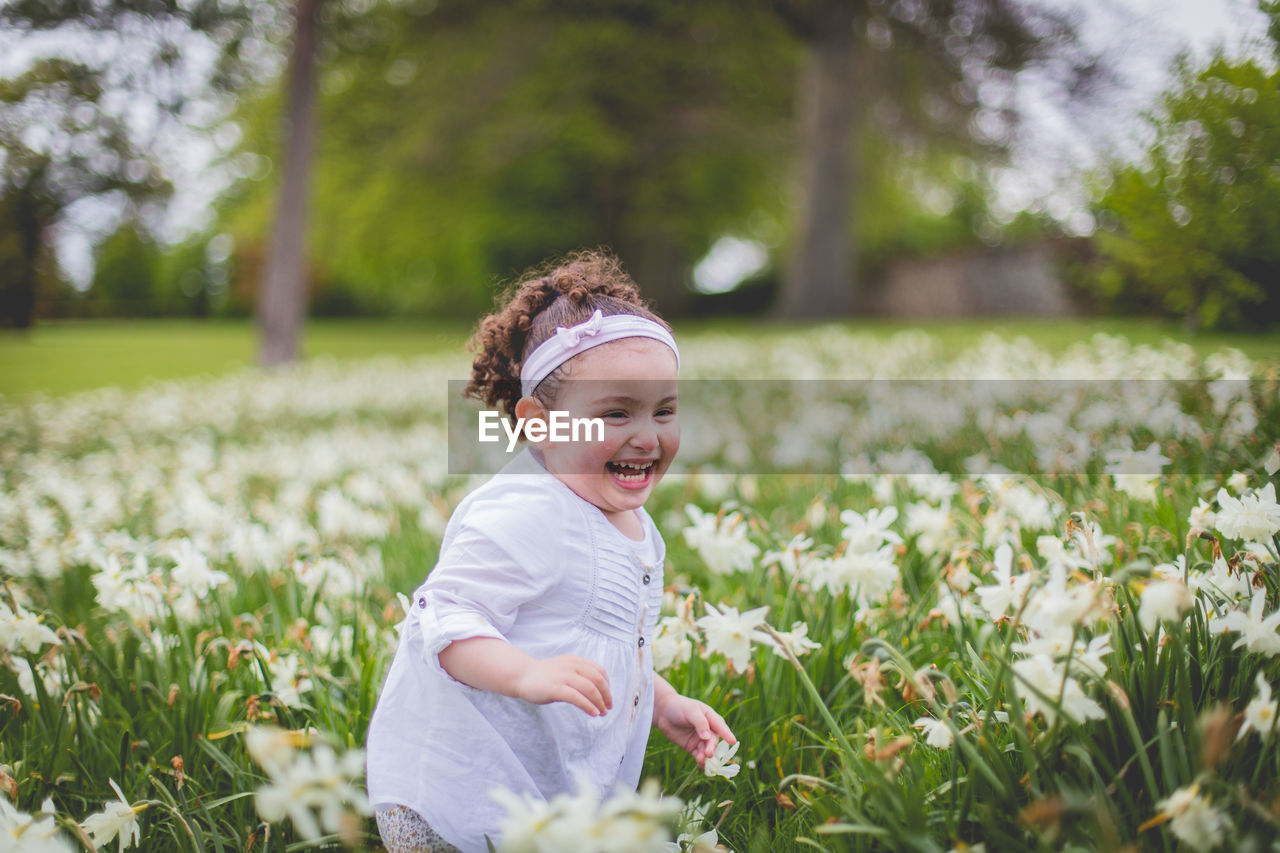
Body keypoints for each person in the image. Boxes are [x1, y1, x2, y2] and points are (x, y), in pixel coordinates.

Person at [365, 250, 736, 852]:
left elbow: (610, 646)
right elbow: (444, 619)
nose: (648, 436)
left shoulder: (628, 519)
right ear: (540, 424)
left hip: (539, 796)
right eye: (616, 413)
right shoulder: (524, 511)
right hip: (459, 800)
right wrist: (526, 673)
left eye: (664, 410)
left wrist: (662, 703)